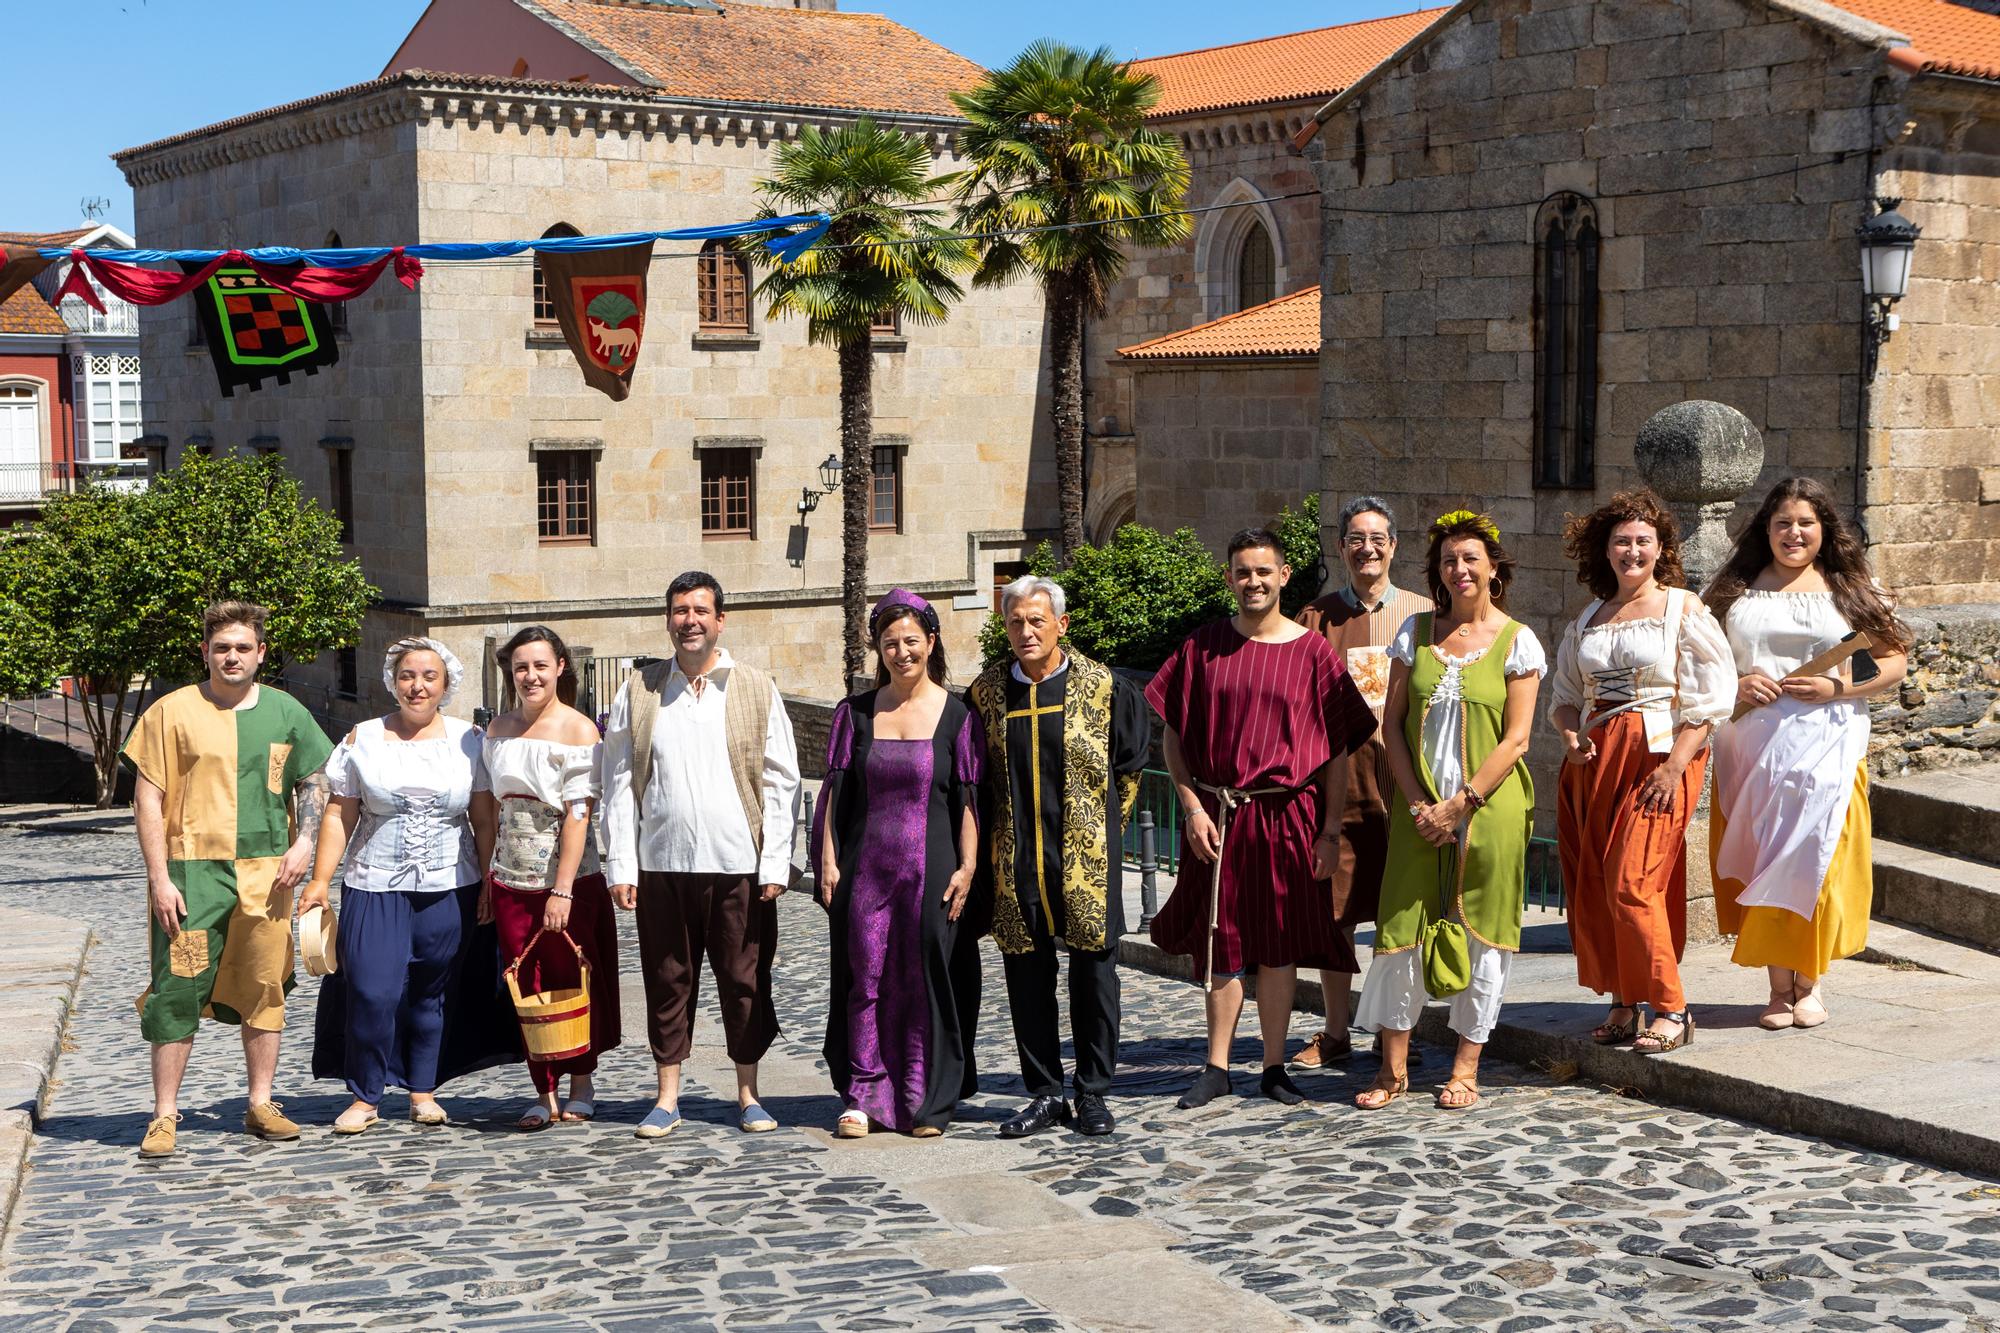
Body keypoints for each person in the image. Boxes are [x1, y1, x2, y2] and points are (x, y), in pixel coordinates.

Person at [1147, 529, 1376, 1110]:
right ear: (1229, 578)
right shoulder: (1202, 648)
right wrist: (1192, 807)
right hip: (1218, 817)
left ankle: (1273, 1066)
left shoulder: (1313, 654)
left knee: (1278, 947)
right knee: (1220, 940)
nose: (1253, 582)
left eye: (1264, 572)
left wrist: (1328, 832)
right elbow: (1173, 739)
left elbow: (1336, 753)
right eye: (1243, 572)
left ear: (1284, 575)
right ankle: (1217, 1066)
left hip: (1287, 816)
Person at [124, 601, 334, 1159]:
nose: (232, 656)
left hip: (268, 876)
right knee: (178, 986)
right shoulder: (170, 712)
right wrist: (158, 878)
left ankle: (261, 1103)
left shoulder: (288, 712)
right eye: (222, 648)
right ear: (205, 652)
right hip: (191, 875)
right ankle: (164, 1114)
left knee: (266, 984)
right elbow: (148, 797)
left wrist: (305, 844)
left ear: (261, 653)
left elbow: (314, 780)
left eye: (243, 647)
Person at [1354, 510, 1544, 1112]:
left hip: (1490, 809)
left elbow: (1516, 739)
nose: (1459, 570)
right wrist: (1417, 804)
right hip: (1419, 808)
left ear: (1493, 567)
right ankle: (1393, 1069)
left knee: (1483, 931)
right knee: (1401, 925)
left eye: (1470, 559)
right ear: (1436, 571)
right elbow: (1392, 725)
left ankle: (1465, 1069)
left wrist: (1461, 805)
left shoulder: (1519, 642)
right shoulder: (1414, 633)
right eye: (1448, 561)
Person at [602, 572, 799, 1140]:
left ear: (720, 620)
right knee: (667, 981)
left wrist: (775, 864)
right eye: (679, 610)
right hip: (661, 865)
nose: (690, 620)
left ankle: (748, 1094)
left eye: (700, 610)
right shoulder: (639, 690)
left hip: (738, 864)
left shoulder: (755, 687)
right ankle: (667, 1097)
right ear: (668, 620)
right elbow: (617, 780)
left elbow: (782, 780)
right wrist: (621, 865)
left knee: (743, 981)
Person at [1706, 477, 1908, 1029]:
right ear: (1765, 529)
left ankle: (1810, 983)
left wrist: (1837, 688)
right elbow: (1700, 663)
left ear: (1824, 530)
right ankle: (1777, 989)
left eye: (1805, 524)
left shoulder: (1850, 589)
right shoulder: (1735, 590)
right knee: (1766, 860)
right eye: (1782, 524)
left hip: (1831, 742)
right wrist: (1737, 684)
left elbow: (1891, 663)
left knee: (1816, 858)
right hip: (1750, 747)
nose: (1793, 534)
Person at [301, 637, 520, 1132]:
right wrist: (319, 881)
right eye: (407, 676)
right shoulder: (363, 739)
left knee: (431, 991)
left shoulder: (470, 740)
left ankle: (423, 1090)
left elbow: (484, 819)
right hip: (374, 884)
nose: (417, 686)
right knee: (372, 990)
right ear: (392, 682)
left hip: (450, 884)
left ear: (445, 685)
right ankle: (366, 1095)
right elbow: (340, 813)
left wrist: (488, 879)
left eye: (429, 677)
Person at [1549, 491, 1735, 1054]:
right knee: (1598, 883)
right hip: (1594, 760)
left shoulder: (1683, 609)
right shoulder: (1587, 620)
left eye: (1642, 541)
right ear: (1604, 550)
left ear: (1660, 550)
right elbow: (1563, 698)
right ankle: (1624, 1003)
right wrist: (1568, 735)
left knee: (1634, 882)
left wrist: (1675, 767)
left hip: (1658, 755)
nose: (1632, 551)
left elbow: (1711, 701)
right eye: (1621, 541)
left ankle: (1673, 1008)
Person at [967, 575, 1151, 1138]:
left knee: (1094, 978)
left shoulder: (1104, 687)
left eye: (1036, 621)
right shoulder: (987, 692)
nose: (1025, 631)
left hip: (1086, 861)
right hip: (1015, 859)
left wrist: (1100, 835)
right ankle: (1045, 1091)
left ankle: (1092, 1092)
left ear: (1061, 625)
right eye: (1015, 621)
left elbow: (1129, 771)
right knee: (1026, 977)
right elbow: (977, 779)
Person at [813, 590, 984, 1139]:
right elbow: (835, 793)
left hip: (931, 868)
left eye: (912, 641)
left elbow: (968, 799)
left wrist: (968, 867)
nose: (902, 652)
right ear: (878, 650)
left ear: (931, 643)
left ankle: (923, 1099)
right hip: (867, 868)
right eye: (891, 644)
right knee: (863, 976)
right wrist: (828, 861)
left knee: (924, 979)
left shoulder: (957, 715)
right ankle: (863, 1094)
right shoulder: (855, 713)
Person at [1290, 496, 1432, 1069]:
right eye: (1355, 538)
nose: (1366, 548)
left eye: (1377, 538)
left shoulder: (1425, 615)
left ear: (1394, 546)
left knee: (1404, 915)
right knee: (1337, 913)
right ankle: (1336, 1029)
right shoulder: (1316, 618)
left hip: (1408, 786)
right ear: (1341, 546)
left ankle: (1396, 1029)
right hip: (1340, 787)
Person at [477, 626, 620, 1130]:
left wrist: (561, 888)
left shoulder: (580, 730)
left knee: (571, 977)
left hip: (568, 881)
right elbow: (491, 810)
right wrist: (486, 879)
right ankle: (544, 1088)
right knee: (525, 981)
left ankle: (582, 1080)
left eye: (540, 665)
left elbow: (578, 817)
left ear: (560, 666)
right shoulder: (496, 730)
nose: (530, 676)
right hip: (509, 878)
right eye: (521, 667)